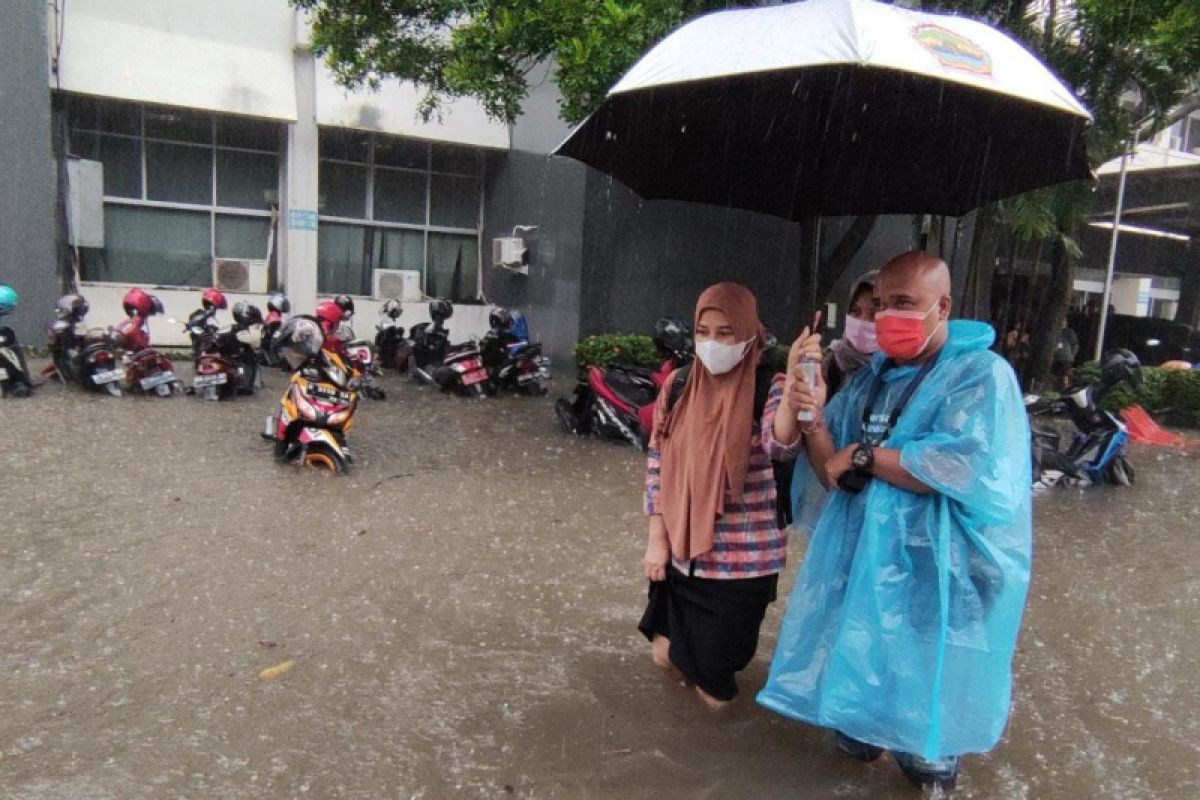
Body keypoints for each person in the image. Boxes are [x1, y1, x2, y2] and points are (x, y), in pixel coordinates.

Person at [759, 251, 1032, 791]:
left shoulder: (981, 375)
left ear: (943, 306)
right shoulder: (868, 382)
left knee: (926, 752)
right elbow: (829, 470)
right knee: (857, 740)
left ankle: (926, 756)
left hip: (941, 577)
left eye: (904, 303)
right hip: (864, 575)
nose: (888, 317)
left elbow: (967, 468)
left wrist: (863, 454)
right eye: (881, 305)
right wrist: (812, 414)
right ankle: (868, 733)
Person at [639, 282, 819, 709]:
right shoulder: (680, 385)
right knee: (665, 656)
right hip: (683, 553)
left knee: (714, 690)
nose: (712, 343)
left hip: (741, 566)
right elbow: (657, 462)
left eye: (725, 333)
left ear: (748, 334)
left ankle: (710, 752)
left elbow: (782, 444)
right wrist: (656, 541)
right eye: (704, 331)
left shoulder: (768, 387)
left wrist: (795, 390)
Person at [791, 273, 881, 532]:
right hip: (835, 505)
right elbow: (823, 465)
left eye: (874, 313)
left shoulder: (906, 376)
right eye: (855, 312)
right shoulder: (833, 366)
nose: (863, 322)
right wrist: (811, 418)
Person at [1052, 321, 1080, 389]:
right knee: (1056, 376)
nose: (1062, 323)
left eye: (1064, 322)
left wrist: (1072, 355)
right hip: (1057, 358)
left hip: (1066, 359)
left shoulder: (1069, 332)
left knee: (1064, 375)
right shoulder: (1056, 332)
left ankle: (1065, 388)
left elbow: (1075, 345)